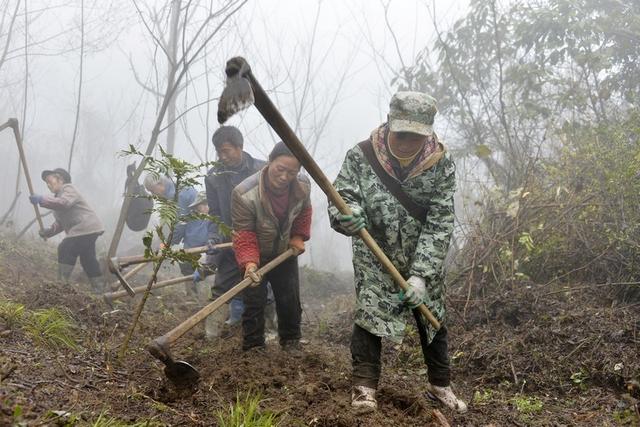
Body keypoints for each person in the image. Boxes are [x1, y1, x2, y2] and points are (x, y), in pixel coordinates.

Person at [328, 91, 467, 413]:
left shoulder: (441, 164)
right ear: (390, 123)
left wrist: (421, 274)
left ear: (427, 133)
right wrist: (347, 216)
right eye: (401, 133)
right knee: (369, 314)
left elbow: (440, 221)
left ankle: (440, 385)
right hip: (374, 251)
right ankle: (364, 388)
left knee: (432, 317)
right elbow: (343, 195)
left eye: (415, 136)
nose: (406, 142)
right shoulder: (361, 155)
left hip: (422, 252)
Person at [231, 141, 312, 352]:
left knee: (289, 299)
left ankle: (291, 341)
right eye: (280, 169)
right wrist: (249, 263)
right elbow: (244, 232)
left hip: (285, 252)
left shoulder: (303, 185)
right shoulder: (244, 193)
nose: (285, 177)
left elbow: (304, 211)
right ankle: (254, 347)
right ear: (270, 162)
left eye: (291, 172)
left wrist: (298, 236)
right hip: (255, 253)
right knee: (254, 300)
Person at [203, 126, 273, 339]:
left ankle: (270, 330)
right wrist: (214, 235)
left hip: (258, 240)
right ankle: (210, 335)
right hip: (230, 241)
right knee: (221, 287)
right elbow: (214, 213)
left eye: (227, 151)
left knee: (263, 287)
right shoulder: (214, 176)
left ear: (240, 147)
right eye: (219, 152)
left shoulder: (262, 170)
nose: (223, 156)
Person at [29, 168, 106, 292]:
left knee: (65, 248)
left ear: (60, 179)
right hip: (88, 229)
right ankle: (99, 288)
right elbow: (61, 223)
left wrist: (42, 199)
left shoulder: (68, 189)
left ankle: (61, 284)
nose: (48, 185)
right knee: (87, 258)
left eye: (50, 181)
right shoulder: (58, 197)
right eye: (46, 183)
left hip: (85, 226)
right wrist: (49, 231)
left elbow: (64, 203)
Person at [170, 191, 212, 300]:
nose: (204, 208)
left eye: (206, 205)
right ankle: (191, 294)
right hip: (190, 248)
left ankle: (213, 294)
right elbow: (179, 230)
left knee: (210, 267)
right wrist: (168, 243)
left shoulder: (214, 220)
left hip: (208, 248)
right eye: (201, 205)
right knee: (186, 266)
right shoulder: (189, 218)